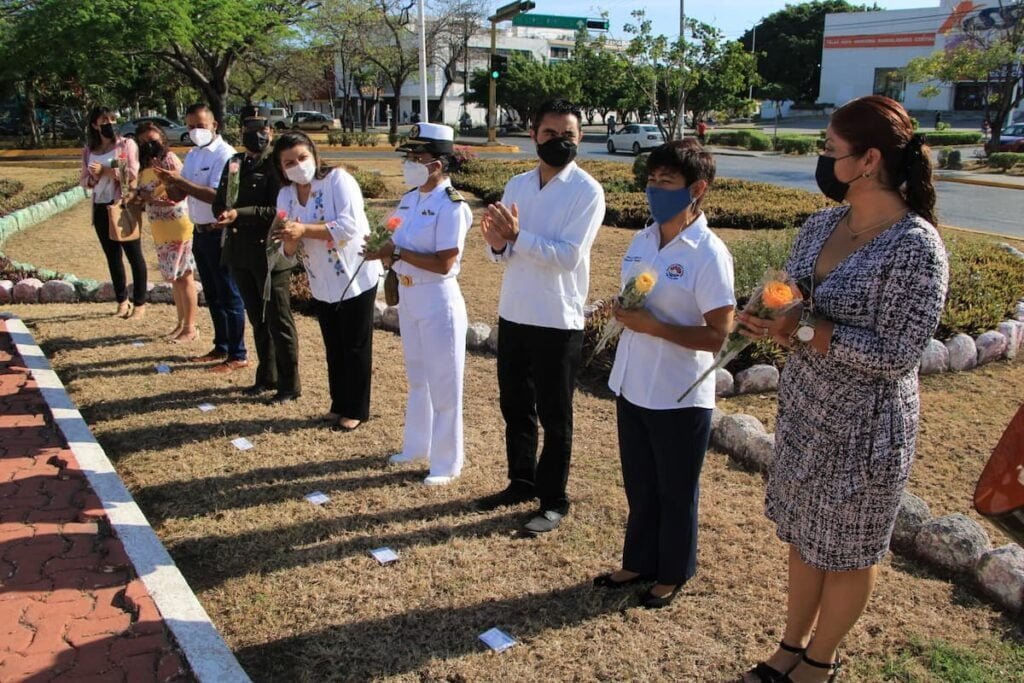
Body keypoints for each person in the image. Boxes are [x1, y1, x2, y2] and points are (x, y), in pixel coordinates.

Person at [738, 95, 948, 683]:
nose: (823, 160)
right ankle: (790, 646)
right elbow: (793, 295)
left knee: (849, 548)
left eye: (831, 150)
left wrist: (803, 327)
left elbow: (897, 356)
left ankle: (820, 661)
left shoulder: (915, 246)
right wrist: (766, 315)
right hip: (807, 410)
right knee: (805, 536)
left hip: (866, 429)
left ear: (869, 160)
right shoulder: (823, 224)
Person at [593, 140, 734, 609]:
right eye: (651, 181)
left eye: (666, 182)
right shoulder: (641, 240)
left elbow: (718, 336)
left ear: (697, 189)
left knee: (676, 490)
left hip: (678, 393)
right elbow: (633, 299)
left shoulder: (709, 254)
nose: (655, 190)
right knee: (640, 483)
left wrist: (654, 326)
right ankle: (638, 560)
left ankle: (673, 571)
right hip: (634, 383)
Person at [476, 99, 606, 534]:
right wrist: (497, 243)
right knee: (515, 406)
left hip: (558, 319)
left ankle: (554, 499)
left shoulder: (587, 192)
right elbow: (502, 257)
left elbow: (569, 257)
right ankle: (520, 481)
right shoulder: (517, 185)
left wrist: (517, 236)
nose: (559, 141)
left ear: (580, 138)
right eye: (550, 133)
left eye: (568, 134)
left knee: (556, 414)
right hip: (514, 313)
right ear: (533, 135)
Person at [363, 123, 472, 486]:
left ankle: (446, 462)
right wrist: (380, 251)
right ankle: (415, 446)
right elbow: (394, 245)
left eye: (417, 157)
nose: (410, 163)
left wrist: (395, 252)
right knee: (417, 378)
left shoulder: (452, 206)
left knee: (445, 384)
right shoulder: (410, 199)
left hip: (438, 298)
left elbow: (444, 262)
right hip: (409, 295)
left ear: (438, 163)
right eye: (409, 157)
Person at [271, 132, 382, 432]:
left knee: (355, 346)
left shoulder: (337, 181)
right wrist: (292, 239)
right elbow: (285, 245)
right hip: (321, 282)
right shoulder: (285, 196)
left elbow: (349, 227)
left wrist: (302, 229)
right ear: (281, 167)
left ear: (314, 156)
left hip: (354, 276)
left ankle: (357, 409)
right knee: (333, 345)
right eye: (289, 162)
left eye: (302, 158)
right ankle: (339, 404)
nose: (297, 165)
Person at [212, 106, 301, 403]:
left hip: (269, 253)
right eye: (250, 130)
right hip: (240, 253)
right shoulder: (235, 162)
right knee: (257, 319)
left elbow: (278, 210)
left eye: (262, 130)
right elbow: (221, 197)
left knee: (279, 320)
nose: (257, 136)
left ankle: (289, 386)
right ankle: (266, 376)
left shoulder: (276, 166)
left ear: (271, 132)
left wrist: (239, 213)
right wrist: (223, 212)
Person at [155, 103, 247, 373]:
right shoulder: (194, 155)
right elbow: (180, 194)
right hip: (200, 231)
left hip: (220, 232)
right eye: (191, 126)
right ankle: (221, 346)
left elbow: (218, 196)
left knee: (229, 294)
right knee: (213, 294)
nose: (196, 131)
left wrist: (180, 182)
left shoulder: (226, 155)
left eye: (201, 125)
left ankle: (237, 353)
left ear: (215, 125)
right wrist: (169, 183)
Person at [132, 122, 198, 342]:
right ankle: (180, 324)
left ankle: (190, 327)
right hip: (160, 229)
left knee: (184, 277)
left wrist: (156, 195)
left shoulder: (169, 160)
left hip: (178, 225)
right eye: (143, 142)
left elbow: (181, 189)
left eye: (153, 141)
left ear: (162, 139)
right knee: (175, 279)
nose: (149, 146)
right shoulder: (144, 165)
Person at [79, 106, 147, 319]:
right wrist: (93, 177)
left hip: (122, 205)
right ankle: (121, 301)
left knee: (133, 254)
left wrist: (107, 171)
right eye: (103, 120)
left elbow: (132, 173)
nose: (109, 123)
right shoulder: (89, 150)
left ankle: (140, 303)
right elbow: (84, 179)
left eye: (111, 119)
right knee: (112, 256)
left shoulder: (126, 145)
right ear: (94, 125)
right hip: (101, 206)